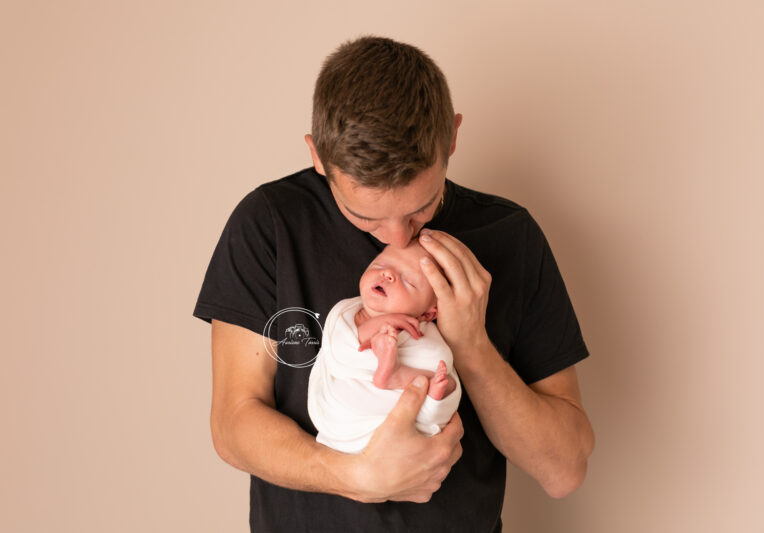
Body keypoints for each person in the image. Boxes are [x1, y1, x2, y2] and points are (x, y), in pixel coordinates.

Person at [193, 35, 594, 532]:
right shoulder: (271, 224)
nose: (402, 237)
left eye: (421, 208)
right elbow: (233, 425)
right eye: (365, 217)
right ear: (317, 156)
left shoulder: (511, 237)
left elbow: (564, 469)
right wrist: (356, 476)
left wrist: (470, 343)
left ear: (451, 137)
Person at [308, 239, 461, 455]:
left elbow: (439, 362)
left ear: (428, 313)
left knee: (449, 385)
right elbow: (341, 351)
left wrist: (436, 393)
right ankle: (396, 376)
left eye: (409, 282)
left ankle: (397, 375)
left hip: (408, 433)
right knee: (342, 396)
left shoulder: (425, 334)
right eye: (379, 266)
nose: (388, 275)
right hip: (354, 416)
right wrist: (378, 324)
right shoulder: (348, 312)